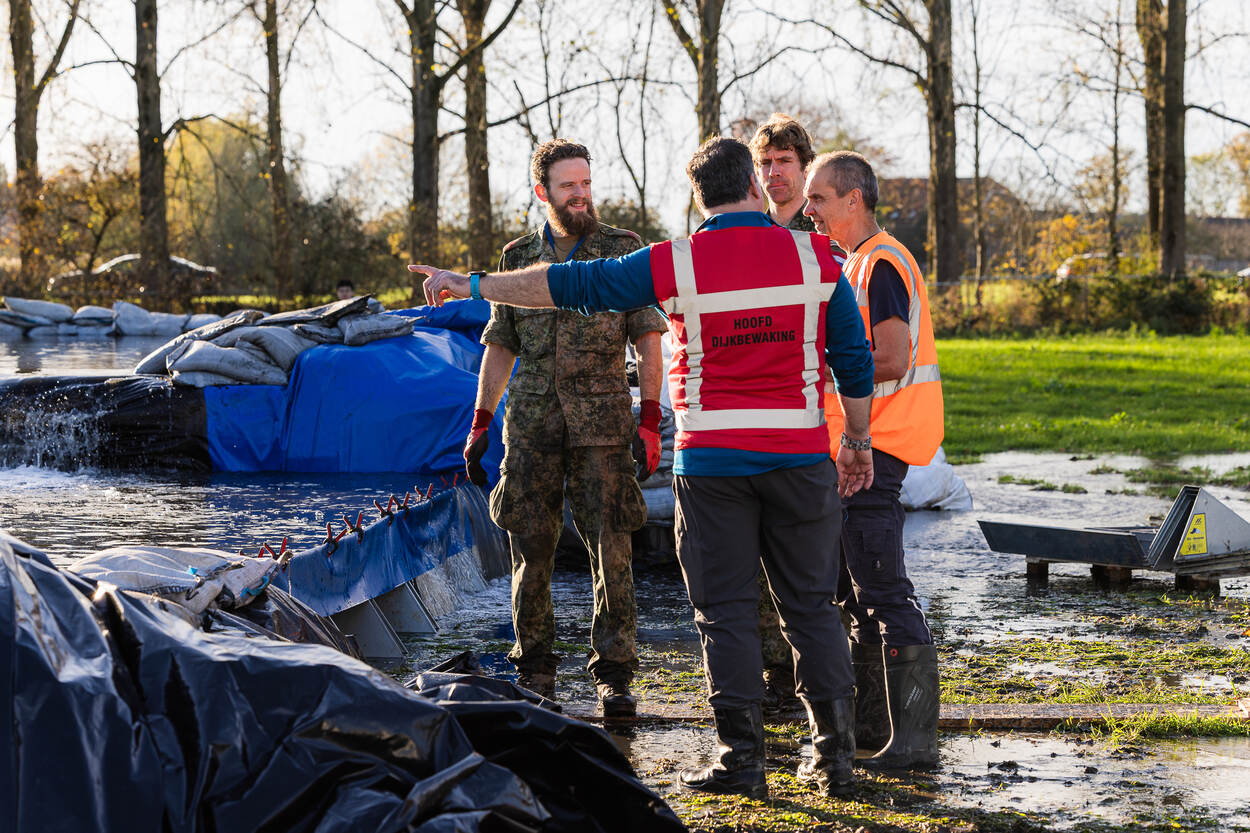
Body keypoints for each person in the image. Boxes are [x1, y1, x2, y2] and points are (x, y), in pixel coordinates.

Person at [412, 136, 876, 800]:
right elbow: (852, 359)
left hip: (712, 465)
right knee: (810, 608)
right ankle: (834, 759)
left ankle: (741, 760)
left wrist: (474, 284)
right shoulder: (817, 256)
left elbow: (572, 284)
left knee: (724, 613)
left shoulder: (675, 261)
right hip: (798, 460)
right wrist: (856, 439)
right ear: (751, 182)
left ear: (699, 198)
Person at [462, 138, 666, 718]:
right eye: (568, 186)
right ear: (542, 192)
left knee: (613, 544)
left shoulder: (622, 251)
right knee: (530, 545)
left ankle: (616, 675)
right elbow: (499, 344)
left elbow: (648, 338)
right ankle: (536, 670)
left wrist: (649, 419)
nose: (580, 195)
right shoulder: (517, 257)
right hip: (530, 426)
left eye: (585, 183)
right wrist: (480, 421)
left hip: (603, 423)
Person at [802, 150, 944, 770]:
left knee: (882, 587)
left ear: (853, 199)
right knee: (860, 590)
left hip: (879, 448)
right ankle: (886, 730)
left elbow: (890, 357)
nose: (808, 210)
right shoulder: (858, 262)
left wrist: (821, 376)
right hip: (865, 445)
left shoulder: (880, 263)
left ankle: (914, 745)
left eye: (818, 199)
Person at [747, 114, 818, 718]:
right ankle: (777, 676)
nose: (774, 174)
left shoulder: (825, 237)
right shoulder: (746, 235)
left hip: (817, 427)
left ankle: (828, 688)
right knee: (756, 567)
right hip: (752, 426)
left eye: (784, 162)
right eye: (765, 163)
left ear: (803, 167)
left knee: (813, 574)